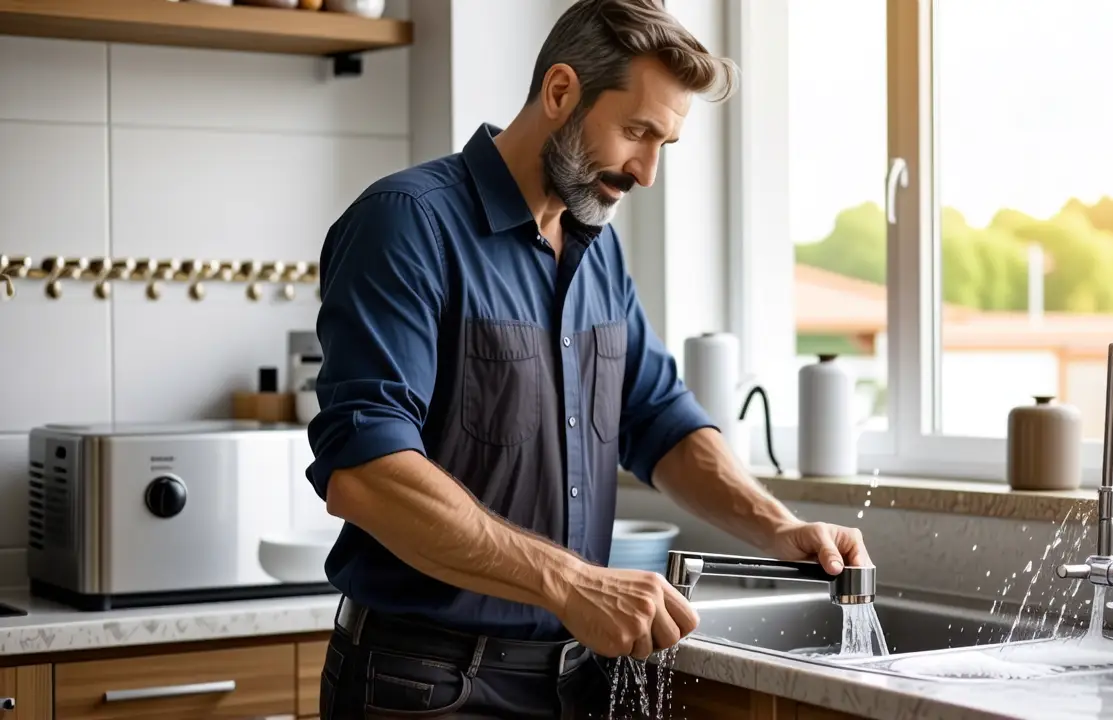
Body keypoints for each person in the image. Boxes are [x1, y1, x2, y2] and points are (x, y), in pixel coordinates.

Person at [305, 0, 874, 717]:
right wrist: (572, 583)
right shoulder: (407, 223)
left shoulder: (596, 249)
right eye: (637, 132)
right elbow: (365, 474)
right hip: (424, 685)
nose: (648, 171)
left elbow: (659, 419)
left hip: (574, 683)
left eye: (665, 143)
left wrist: (777, 526)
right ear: (560, 92)